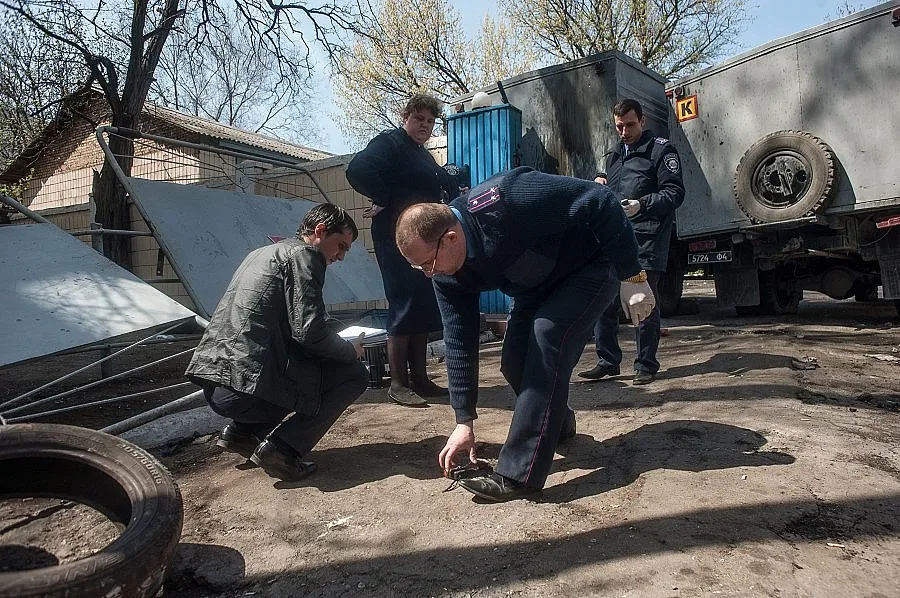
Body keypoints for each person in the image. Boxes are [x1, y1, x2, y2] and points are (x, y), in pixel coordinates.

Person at [394, 167, 656, 502]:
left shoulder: (510, 198)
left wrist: (632, 276)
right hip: (536, 284)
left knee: (546, 337)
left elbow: (600, 198)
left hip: (590, 266)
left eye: (428, 264)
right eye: (420, 269)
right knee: (515, 361)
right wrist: (464, 421)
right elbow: (459, 339)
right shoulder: (446, 275)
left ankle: (518, 474)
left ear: (451, 238)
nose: (428, 274)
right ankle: (558, 425)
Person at [185, 204, 369, 482]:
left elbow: (282, 318)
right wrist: (348, 350)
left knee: (308, 367)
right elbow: (308, 332)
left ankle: (242, 435)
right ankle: (282, 451)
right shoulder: (307, 256)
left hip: (218, 382)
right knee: (353, 375)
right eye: (340, 246)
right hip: (244, 390)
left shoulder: (262, 253)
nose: (341, 257)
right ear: (319, 231)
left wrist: (336, 331)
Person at [346, 93, 461, 408]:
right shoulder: (391, 143)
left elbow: (439, 184)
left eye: (429, 121)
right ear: (405, 117)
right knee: (405, 303)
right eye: (418, 119)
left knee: (423, 304)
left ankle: (420, 379)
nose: (424, 125)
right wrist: (382, 195)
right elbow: (358, 169)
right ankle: (398, 383)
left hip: (423, 240)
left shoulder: (420, 153)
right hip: (396, 239)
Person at [578, 98, 685, 385]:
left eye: (629, 125)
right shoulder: (613, 155)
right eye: (619, 127)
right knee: (604, 299)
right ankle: (608, 360)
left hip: (647, 237)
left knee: (642, 301)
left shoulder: (661, 151)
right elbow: (607, 185)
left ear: (643, 120)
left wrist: (642, 204)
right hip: (614, 237)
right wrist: (598, 182)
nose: (624, 132)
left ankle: (646, 364)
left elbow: (675, 193)